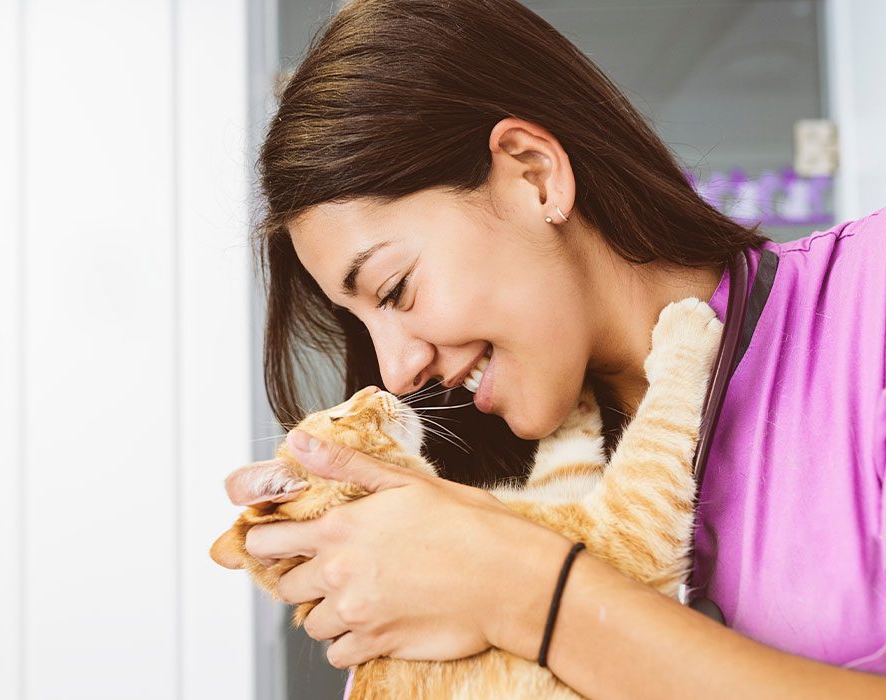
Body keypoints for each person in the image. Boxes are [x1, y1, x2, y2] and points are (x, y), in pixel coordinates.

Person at [219, 0, 886, 696]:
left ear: (535, 174)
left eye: (394, 289)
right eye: (360, 325)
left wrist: (526, 590)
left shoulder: (871, 304)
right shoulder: (489, 485)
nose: (396, 371)